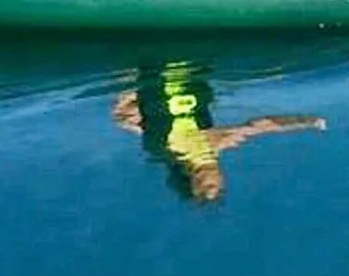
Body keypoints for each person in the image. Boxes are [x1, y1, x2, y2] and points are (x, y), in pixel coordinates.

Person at [113, 61, 326, 203]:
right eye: (218, 186)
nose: (213, 182)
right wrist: (304, 121)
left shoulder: (162, 146)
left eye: (205, 187)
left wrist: (128, 93)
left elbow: (125, 115)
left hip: (154, 70)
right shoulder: (217, 142)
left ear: (192, 181)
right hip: (189, 69)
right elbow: (263, 125)